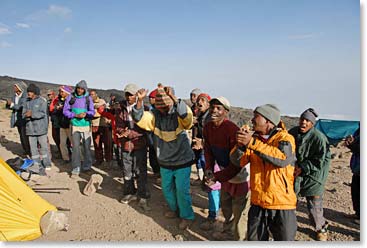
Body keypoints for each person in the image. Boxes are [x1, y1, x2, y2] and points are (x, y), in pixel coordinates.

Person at [229, 104, 297, 241]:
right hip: (258, 203)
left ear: (268, 120)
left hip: (282, 204)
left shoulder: (285, 138)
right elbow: (238, 161)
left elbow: (282, 159)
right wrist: (241, 146)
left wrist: (252, 143)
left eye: (256, 116)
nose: (252, 120)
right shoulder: (254, 139)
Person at [132, 84, 195, 230]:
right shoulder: (154, 116)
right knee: (167, 189)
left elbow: (188, 119)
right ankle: (174, 209)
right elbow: (139, 117)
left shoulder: (178, 114)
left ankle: (187, 216)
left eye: (164, 106)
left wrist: (174, 98)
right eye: (160, 106)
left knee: (181, 190)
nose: (162, 109)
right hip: (165, 161)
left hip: (182, 160)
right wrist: (140, 101)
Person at [203, 96, 250, 241]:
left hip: (239, 173)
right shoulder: (208, 127)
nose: (214, 111)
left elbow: (237, 164)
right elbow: (208, 150)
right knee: (226, 205)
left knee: (239, 211)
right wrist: (209, 169)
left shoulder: (231, 130)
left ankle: (240, 239)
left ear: (226, 112)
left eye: (219, 108)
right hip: (224, 172)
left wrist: (216, 177)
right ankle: (227, 230)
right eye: (212, 107)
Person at [289, 108, 331, 241]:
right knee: (290, 198)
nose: (304, 122)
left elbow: (320, 160)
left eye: (307, 120)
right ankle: (288, 226)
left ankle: (321, 228)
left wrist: (303, 167)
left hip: (316, 173)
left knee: (314, 202)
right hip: (297, 171)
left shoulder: (319, 138)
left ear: (312, 124)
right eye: (302, 119)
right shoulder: (293, 132)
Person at [115, 83, 150, 211]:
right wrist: (121, 132)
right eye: (127, 94)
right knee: (127, 169)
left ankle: (142, 195)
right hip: (125, 144)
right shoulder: (120, 108)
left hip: (139, 143)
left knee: (140, 170)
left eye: (131, 94)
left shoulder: (145, 109)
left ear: (137, 95)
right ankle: (129, 192)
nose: (128, 97)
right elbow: (118, 124)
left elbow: (145, 128)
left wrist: (130, 133)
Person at [63, 80, 95, 178]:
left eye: (82, 89)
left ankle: (87, 167)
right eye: (78, 88)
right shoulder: (71, 97)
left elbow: (92, 111)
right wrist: (75, 115)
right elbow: (65, 111)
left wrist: (86, 114)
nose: (80, 90)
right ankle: (76, 169)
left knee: (86, 148)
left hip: (85, 126)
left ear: (85, 89)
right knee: (75, 148)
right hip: (74, 126)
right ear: (76, 87)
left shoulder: (88, 98)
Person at [22, 83, 51, 171]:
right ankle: (36, 163)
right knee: (33, 149)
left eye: (30, 92)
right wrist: (26, 115)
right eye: (28, 92)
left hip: (41, 129)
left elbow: (43, 113)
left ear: (34, 92)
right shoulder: (26, 101)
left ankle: (47, 164)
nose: (28, 93)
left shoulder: (42, 101)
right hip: (30, 129)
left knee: (44, 148)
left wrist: (32, 114)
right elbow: (23, 114)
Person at [6, 81, 30, 156]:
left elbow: (21, 107)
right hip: (17, 119)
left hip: (23, 119)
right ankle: (25, 150)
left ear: (20, 88)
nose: (14, 88)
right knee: (21, 135)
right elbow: (11, 107)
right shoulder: (14, 96)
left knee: (24, 136)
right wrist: (8, 104)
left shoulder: (25, 96)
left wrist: (12, 104)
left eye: (16, 87)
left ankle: (28, 150)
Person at [49, 85, 73, 163]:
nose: (60, 93)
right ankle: (66, 158)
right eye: (60, 91)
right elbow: (54, 110)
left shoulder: (72, 100)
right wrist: (58, 108)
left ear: (67, 92)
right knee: (62, 144)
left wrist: (63, 108)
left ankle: (80, 159)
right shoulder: (59, 100)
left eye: (62, 91)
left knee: (74, 143)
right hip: (62, 124)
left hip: (70, 124)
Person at [90, 90, 113, 168]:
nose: (92, 96)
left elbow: (100, 110)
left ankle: (108, 161)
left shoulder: (101, 100)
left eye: (93, 94)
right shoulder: (89, 102)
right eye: (90, 95)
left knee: (107, 144)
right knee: (97, 144)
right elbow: (91, 113)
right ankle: (99, 160)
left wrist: (93, 109)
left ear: (96, 94)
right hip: (94, 125)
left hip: (104, 125)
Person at [345, 125, 360, 224]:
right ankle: (358, 213)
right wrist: (350, 144)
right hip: (358, 168)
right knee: (355, 191)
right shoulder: (359, 130)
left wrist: (352, 144)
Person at [147, 89, 160, 178]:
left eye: (152, 98)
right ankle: (156, 171)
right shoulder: (150, 109)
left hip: (159, 135)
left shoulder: (160, 110)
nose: (150, 99)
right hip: (151, 134)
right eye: (150, 98)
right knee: (152, 154)